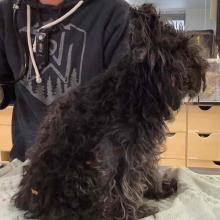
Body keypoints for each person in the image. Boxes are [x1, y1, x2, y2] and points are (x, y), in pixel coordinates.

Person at [0, 0, 129, 161]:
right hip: (27, 166)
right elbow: (5, 89)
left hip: (95, 170)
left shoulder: (115, 13)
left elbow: (127, 104)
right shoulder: (7, 11)